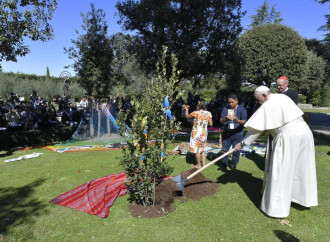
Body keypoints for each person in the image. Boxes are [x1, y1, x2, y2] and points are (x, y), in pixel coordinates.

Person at [234, 86, 318, 218]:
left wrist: (242, 143)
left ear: (264, 96)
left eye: (258, 100)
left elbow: (256, 130)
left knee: (281, 170)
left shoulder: (268, 105)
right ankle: (300, 198)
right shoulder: (283, 97)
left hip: (288, 137)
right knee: (300, 167)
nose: (258, 103)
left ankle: (276, 209)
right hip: (305, 133)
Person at [219, 93, 247, 172]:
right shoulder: (225, 109)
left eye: (232, 102)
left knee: (236, 151)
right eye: (229, 102)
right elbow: (221, 120)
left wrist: (237, 120)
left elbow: (244, 121)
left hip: (237, 133)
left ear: (236, 101)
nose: (230, 104)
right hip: (227, 133)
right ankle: (224, 166)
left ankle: (233, 166)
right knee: (224, 150)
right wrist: (225, 118)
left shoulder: (242, 109)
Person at [184, 100, 213, 168]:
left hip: (196, 133)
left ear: (199, 106)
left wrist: (186, 109)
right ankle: (204, 164)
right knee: (202, 148)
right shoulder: (209, 113)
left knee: (197, 150)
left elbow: (187, 116)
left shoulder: (196, 113)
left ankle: (199, 165)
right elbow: (211, 124)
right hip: (204, 133)